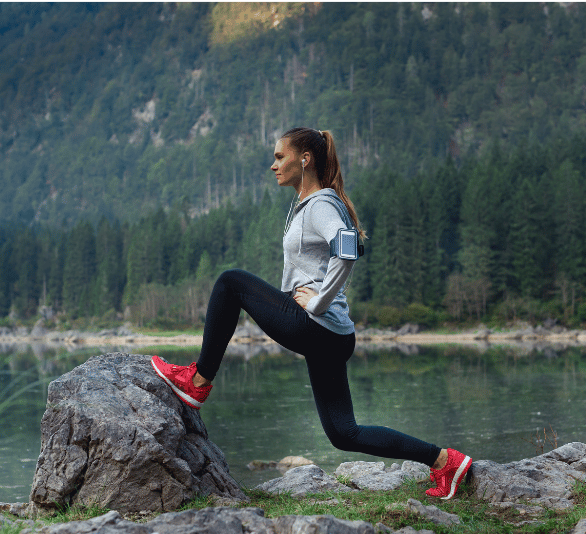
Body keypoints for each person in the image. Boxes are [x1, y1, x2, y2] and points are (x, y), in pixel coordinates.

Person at [152, 127, 471, 499]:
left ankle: (199, 381)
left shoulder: (320, 204)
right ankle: (446, 462)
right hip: (333, 336)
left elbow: (347, 249)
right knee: (343, 433)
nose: (273, 165)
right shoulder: (311, 203)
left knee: (230, 283)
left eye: (279, 157)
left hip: (316, 325)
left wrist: (318, 301)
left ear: (305, 159)